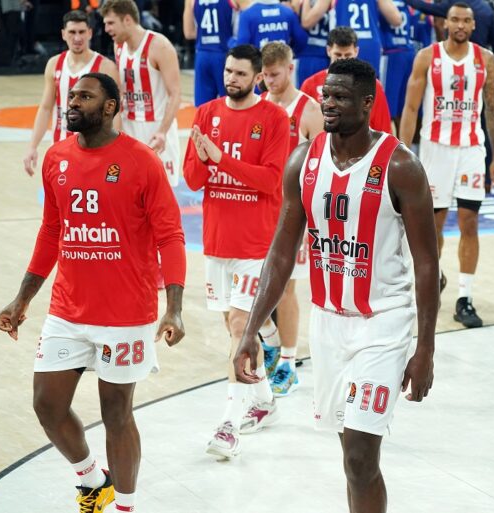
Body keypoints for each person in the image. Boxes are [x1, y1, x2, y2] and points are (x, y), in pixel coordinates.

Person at [233, 57, 438, 513]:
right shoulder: (302, 161)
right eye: (326, 94)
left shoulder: (401, 166)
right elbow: (280, 253)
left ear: (367, 103)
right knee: (350, 456)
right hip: (327, 324)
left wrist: (425, 347)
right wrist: (250, 330)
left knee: (362, 456)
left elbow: (427, 265)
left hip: (383, 322)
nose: (327, 103)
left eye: (340, 97)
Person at [0, 72, 186, 513]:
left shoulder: (141, 161)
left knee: (116, 413)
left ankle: (125, 506)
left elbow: (170, 236)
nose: (73, 102)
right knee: (47, 404)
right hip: (68, 309)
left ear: (110, 107)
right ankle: (92, 480)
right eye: (72, 96)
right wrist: (23, 298)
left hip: (126, 314)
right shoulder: (57, 157)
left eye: (85, 96)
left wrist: (174, 308)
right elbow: (51, 231)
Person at [183, 44, 290, 457]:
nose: (232, 79)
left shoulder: (274, 119)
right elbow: (194, 180)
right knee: (234, 325)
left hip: (255, 244)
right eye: (229, 71)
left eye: (241, 74)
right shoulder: (206, 113)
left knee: (240, 327)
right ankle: (264, 403)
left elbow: (270, 181)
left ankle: (229, 426)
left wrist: (221, 158)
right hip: (217, 242)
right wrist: (201, 157)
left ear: (258, 77)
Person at [400, 2, 494, 328]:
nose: (460, 25)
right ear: (445, 23)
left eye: (466, 21)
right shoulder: (426, 57)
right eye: (455, 19)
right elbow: (410, 108)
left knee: (469, 222)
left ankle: (465, 298)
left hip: (472, 149)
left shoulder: (485, 59)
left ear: (473, 25)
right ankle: (435, 278)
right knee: (433, 226)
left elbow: (492, 109)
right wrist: (403, 153)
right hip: (435, 150)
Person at [260, 41, 324, 395]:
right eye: (265, 75)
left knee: (286, 288)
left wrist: (314, 218)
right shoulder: (258, 104)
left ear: (290, 68)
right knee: (256, 284)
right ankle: (270, 344)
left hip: (292, 213)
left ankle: (288, 361)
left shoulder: (309, 110)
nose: (270, 81)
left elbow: (324, 167)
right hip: (258, 211)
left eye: (276, 74)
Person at [23, 10, 119, 176]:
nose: (77, 38)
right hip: (61, 147)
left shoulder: (105, 66)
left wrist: (113, 149)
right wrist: (32, 146)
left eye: (81, 32)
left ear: (90, 33)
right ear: (63, 34)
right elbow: (45, 108)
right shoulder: (54, 64)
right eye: (72, 32)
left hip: (94, 149)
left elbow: (114, 113)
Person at [101, 0, 183, 186]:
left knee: (162, 191)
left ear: (127, 20)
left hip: (156, 128)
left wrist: (162, 132)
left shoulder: (160, 46)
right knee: (129, 190)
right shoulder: (118, 46)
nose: (106, 29)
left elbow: (175, 94)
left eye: (111, 23)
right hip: (129, 127)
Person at [301, 27, 393, 132]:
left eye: (348, 55)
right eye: (338, 55)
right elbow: (302, 127)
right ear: (328, 50)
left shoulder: (373, 85)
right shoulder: (310, 85)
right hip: (322, 140)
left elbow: (383, 128)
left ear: (356, 51)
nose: (343, 60)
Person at [301, 0, 402, 75]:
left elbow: (307, 22)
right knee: (370, 90)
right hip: (371, 46)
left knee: (342, 87)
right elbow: (397, 20)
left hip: (344, 46)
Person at [182, 0, 238, 106]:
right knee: (231, 106)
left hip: (203, 55)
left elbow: (188, 33)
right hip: (225, 54)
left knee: (203, 108)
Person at [380, 0, 417, 130]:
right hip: (408, 51)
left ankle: (391, 141)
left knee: (387, 110)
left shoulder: (382, 2)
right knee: (405, 108)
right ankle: (404, 141)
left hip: (391, 54)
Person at [236, 0, 309, 55]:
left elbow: (242, 45)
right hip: (282, 63)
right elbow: (301, 39)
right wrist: (290, 54)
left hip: (259, 64)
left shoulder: (247, 14)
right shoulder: (288, 12)